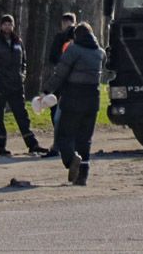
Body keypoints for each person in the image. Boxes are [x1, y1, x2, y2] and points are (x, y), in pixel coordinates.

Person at [42, 22, 105, 186]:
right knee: (85, 139)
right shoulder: (100, 53)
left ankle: (71, 160)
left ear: (76, 36)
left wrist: (47, 90)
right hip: (93, 99)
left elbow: (60, 73)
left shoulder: (73, 50)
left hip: (73, 97)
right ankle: (82, 176)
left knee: (64, 134)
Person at [0, 14, 47, 156]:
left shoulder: (18, 42)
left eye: (10, 24)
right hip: (1, 85)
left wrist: (21, 75)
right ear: (0, 26)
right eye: (5, 24)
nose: (7, 27)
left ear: (14, 26)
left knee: (22, 114)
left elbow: (23, 62)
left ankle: (32, 144)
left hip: (16, 84)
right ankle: (1, 146)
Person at [43, 13, 77, 158]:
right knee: (55, 112)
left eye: (70, 23)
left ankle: (63, 144)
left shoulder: (78, 41)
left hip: (72, 82)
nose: (67, 26)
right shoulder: (59, 38)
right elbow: (53, 57)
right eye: (65, 23)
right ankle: (59, 143)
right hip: (60, 80)